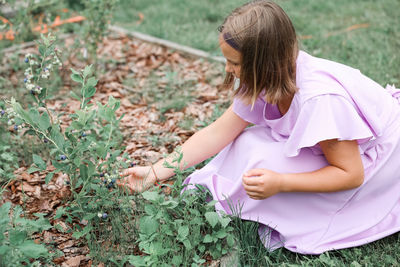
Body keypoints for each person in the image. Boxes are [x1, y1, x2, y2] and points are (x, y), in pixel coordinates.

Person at [120, 0, 400, 255]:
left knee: (264, 162)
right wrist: (155, 172)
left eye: (234, 63)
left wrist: (281, 183)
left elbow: (351, 174)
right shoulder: (268, 77)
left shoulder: (320, 100)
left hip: (380, 164)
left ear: (265, 63)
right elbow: (218, 133)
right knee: (245, 144)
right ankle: (235, 203)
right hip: (337, 150)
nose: (228, 69)